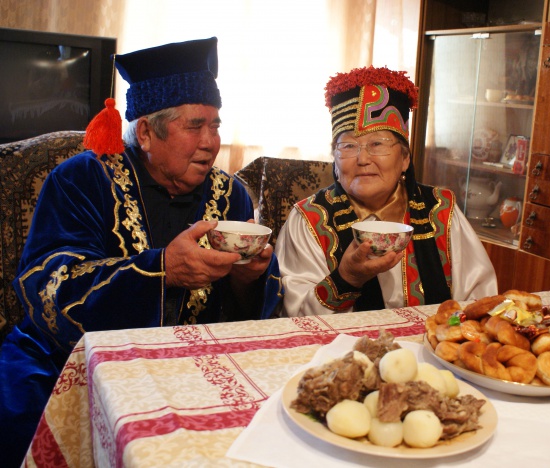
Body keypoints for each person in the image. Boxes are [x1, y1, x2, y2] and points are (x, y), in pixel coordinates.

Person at [0, 37, 282, 467]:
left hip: (185, 364)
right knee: (21, 410)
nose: (211, 142)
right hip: (66, 356)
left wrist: (249, 280)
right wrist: (161, 270)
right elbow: (50, 291)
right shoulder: (82, 179)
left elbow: (243, 322)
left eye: (216, 124)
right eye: (194, 126)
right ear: (147, 132)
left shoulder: (231, 197)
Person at [276, 66, 497, 316]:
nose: (362, 159)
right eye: (348, 145)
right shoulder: (310, 221)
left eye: (377, 144)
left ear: (404, 158)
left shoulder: (440, 211)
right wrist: (346, 277)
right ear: (334, 159)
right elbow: (296, 321)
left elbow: (480, 304)